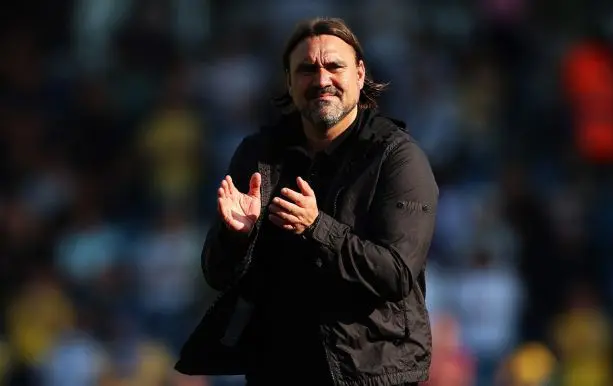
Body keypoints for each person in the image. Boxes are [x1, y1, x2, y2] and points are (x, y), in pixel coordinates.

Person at [175, 17, 439, 386]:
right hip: (276, 369)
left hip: (369, 374)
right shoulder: (259, 153)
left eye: (334, 66)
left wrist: (317, 228)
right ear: (289, 81)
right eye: (306, 69)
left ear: (360, 75)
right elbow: (217, 274)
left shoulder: (397, 158)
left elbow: (395, 274)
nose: (321, 80)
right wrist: (237, 238)